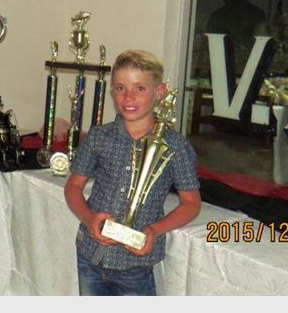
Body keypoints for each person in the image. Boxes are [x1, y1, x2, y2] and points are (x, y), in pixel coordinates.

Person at [63, 50, 201, 296]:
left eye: (140, 88)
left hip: (135, 263)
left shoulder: (176, 146)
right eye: (120, 88)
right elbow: (73, 186)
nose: (128, 97)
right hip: (89, 254)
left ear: (159, 91)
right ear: (112, 91)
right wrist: (88, 218)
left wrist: (155, 230)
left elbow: (191, 203)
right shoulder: (99, 136)